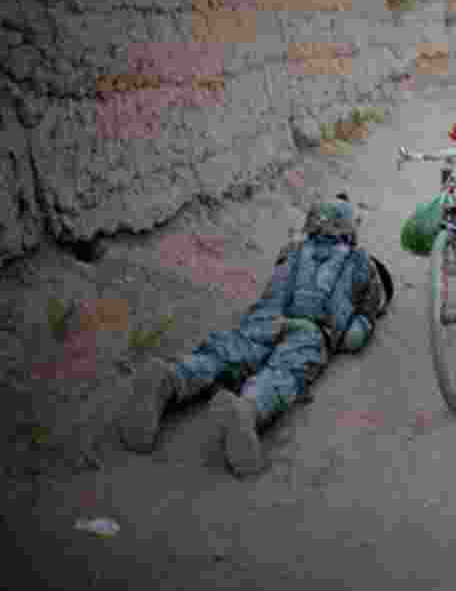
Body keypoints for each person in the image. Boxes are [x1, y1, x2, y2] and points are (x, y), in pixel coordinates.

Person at [118, 194, 393, 477]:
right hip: (312, 329)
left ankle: (173, 376)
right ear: (352, 232)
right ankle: (248, 409)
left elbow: (276, 288)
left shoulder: (292, 250)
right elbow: (355, 336)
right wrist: (354, 327)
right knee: (284, 371)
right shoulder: (363, 266)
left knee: (231, 352)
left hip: (264, 318)